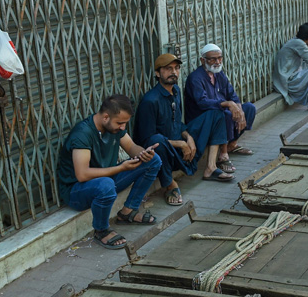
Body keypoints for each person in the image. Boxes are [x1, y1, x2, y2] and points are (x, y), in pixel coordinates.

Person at [56, 95, 161, 250]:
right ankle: (101, 230)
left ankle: (128, 212)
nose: (123, 127)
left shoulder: (115, 127)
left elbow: (132, 147)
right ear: (106, 117)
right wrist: (121, 168)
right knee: (106, 184)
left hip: (106, 180)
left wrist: (144, 153)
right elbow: (82, 174)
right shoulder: (83, 133)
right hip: (76, 191)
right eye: (120, 123)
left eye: (125, 123)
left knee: (154, 161)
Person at [134, 54, 233, 206]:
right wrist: (180, 144)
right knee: (157, 141)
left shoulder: (176, 91)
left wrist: (189, 138)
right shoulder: (150, 101)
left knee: (216, 113)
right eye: (168, 69)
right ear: (157, 73)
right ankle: (169, 184)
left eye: (176, 68)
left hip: (181, 148)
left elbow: (178, 123)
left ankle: (211, 167)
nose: (173, 72)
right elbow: (147, 140)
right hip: (164, 154)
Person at [184, 43, 257, 162]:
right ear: (203, 60)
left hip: (221, 113)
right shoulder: (195, 78)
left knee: (249, 108)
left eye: (219, 58)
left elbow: (232, 94)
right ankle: (222, 155)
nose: (217, 62)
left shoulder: (219, 74)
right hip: (202, 119)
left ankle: (232, 145)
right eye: (213, 59)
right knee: (224, 114)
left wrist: (239, 110)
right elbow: (203, 103)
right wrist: (227, 104)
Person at [273, 23, 308, 111]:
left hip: (289, 77)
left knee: (307, 64)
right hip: (288, 81)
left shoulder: (296, 42)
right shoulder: (299, 44)